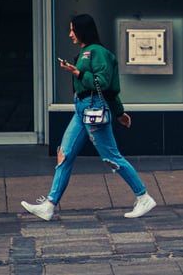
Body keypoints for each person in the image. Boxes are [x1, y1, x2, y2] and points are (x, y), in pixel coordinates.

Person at [21, 14, 157, 221]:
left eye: (73, 30)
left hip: (92, 108)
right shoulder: (87, 52)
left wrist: (77, 73)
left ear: (83, 30)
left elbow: (104, 84)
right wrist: (119, 113)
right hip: (82, 109)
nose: (70, 34)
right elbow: (107, 90)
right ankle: (49, 205)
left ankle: (143, 197)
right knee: (64, 154)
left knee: (111, 156)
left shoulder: (97, 53)